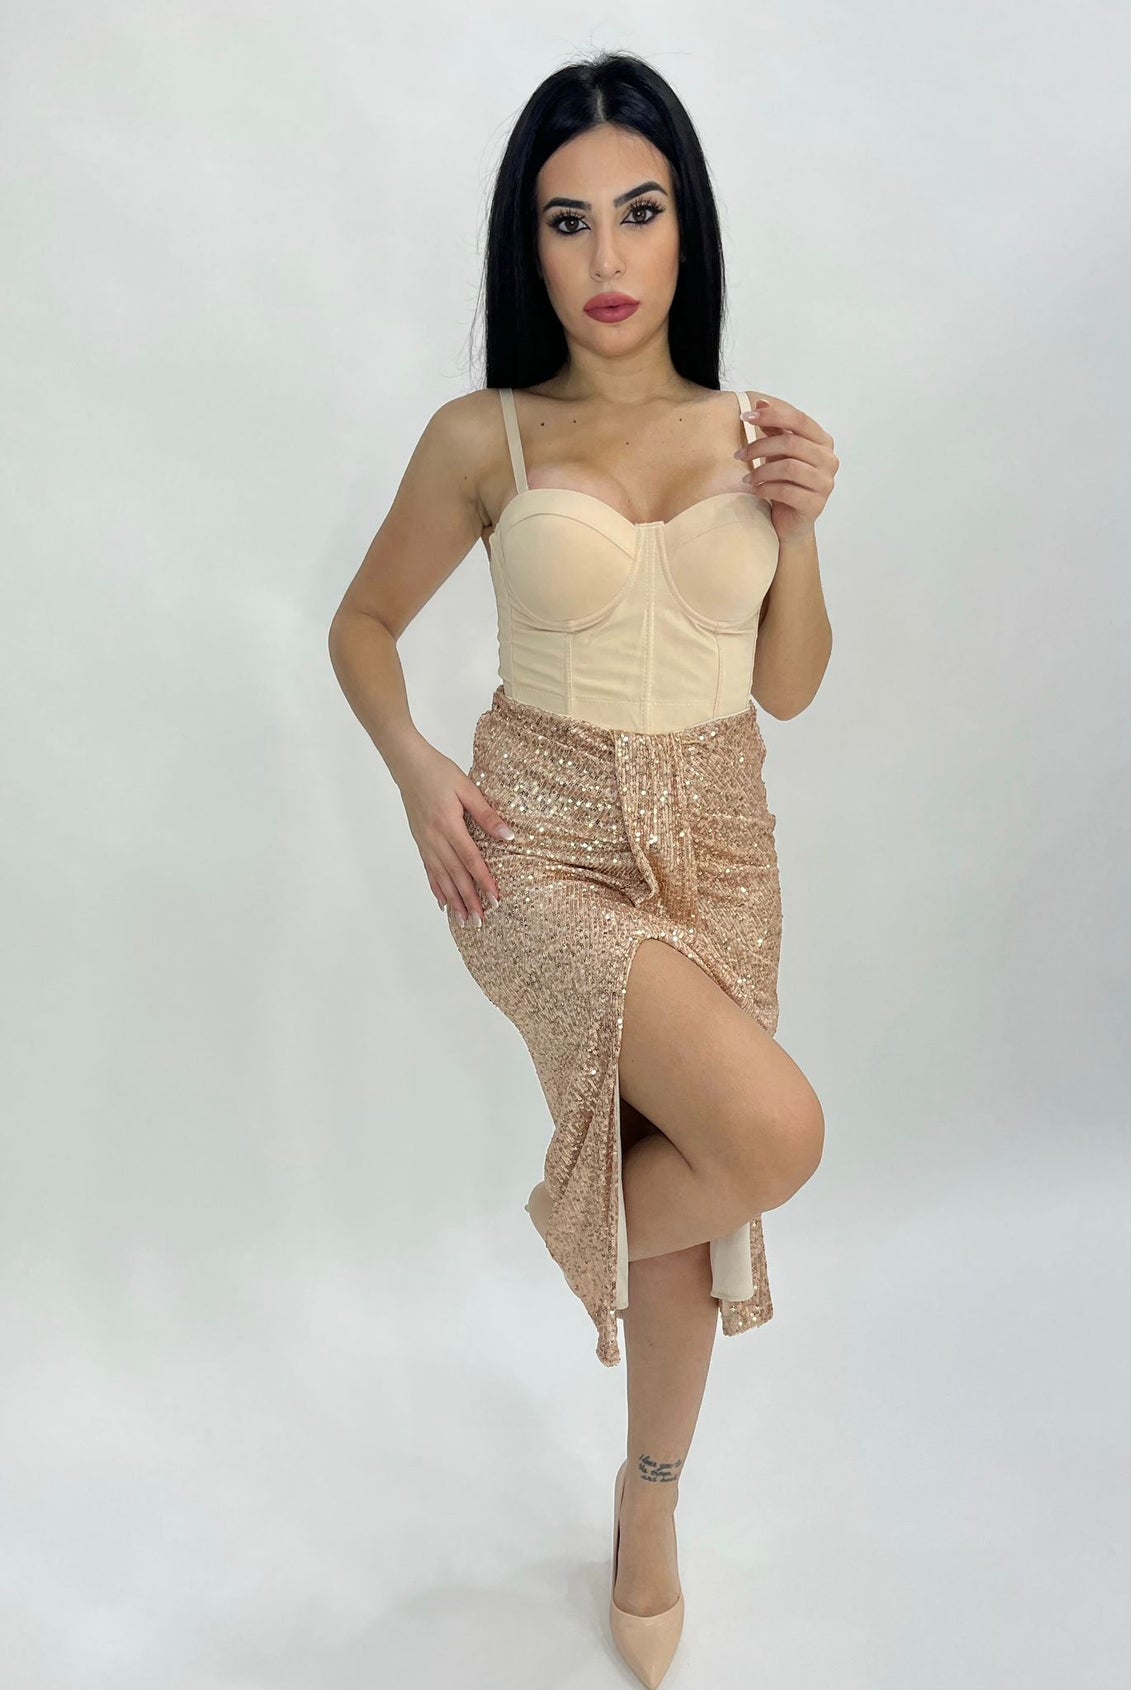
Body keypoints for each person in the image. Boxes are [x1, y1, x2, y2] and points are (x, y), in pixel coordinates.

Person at [328, 49, 838, 1688]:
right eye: (567, 223)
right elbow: (363, 624)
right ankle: (594, 1249)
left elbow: (788, 686)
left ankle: (649, 1505)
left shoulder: (752, 430)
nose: (607, 259)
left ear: (689, 226)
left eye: (640, 211)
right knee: (773, 1133)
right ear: (528, 245)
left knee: (692, 1203)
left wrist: (802, 529)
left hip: (722, 846)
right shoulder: (485, 434)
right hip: (535, 843)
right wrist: (418, 770)